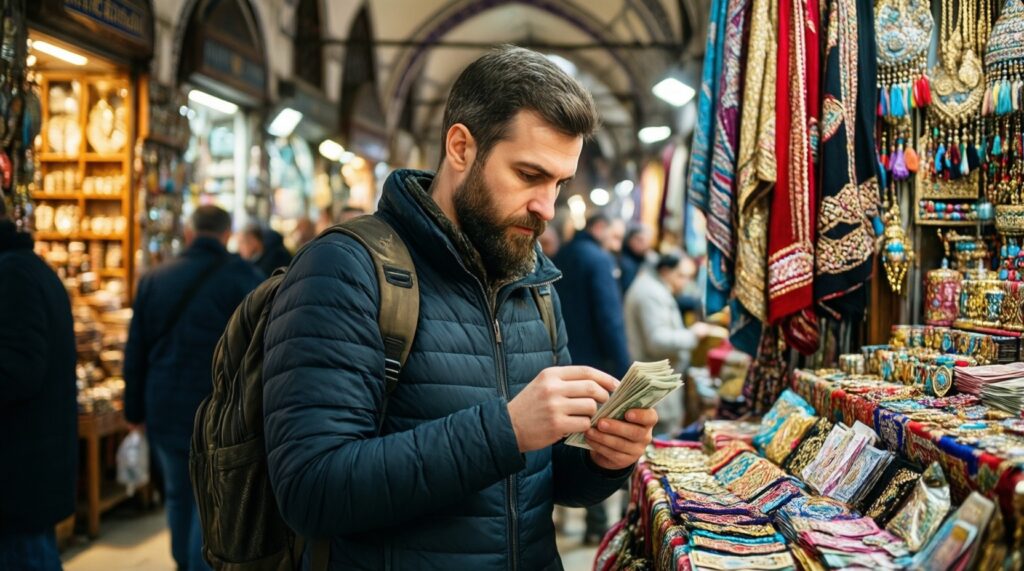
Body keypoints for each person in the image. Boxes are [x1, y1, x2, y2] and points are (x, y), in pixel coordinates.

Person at [262, 46, 657, 570]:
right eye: (528, 175)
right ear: (461, 147)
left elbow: (551, 480)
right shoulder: (345, 268)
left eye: (558, 183)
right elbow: (311, 491)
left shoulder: (534, 283)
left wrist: (606, 457)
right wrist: (507, 429)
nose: (547, 207)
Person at [124, 206, 263, 571]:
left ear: (188, 233)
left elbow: (135, 349)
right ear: (227, 233)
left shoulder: (155, 278)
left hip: (164, 403)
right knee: (210, 498)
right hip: (218, 408)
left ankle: (182, 563)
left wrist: (133, 412)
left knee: (177, 492)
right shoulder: (244, 278)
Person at [0, 199, 77, 571]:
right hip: (29, 471)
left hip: (18, 476)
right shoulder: (26, 269)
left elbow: (18, 370)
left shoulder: (12, 275)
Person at [553, 211, 633, 544]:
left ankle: (561, 517)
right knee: (596, 446)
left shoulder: (563, 253)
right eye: (615, 237)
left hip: (557, 360)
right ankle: (597, 526)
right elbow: (609, 318)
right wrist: (628, 372)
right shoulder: (597, 259)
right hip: (593, 368)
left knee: (559, 443)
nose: (617, 246)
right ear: (600, 228)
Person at [624, 253, 704, 436]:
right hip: (654, 385)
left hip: (657, 384)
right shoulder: (650, 293)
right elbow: (657, 341)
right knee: (658, 441)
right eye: (681, 276)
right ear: (666, 271)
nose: (685, 283)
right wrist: (692, 336)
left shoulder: (652, 289)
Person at [619, 222, 653, 294]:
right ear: (630, 239)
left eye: (647, 240)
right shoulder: (625, 263)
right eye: (640, 240)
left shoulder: (644, 259)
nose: (644, 244)